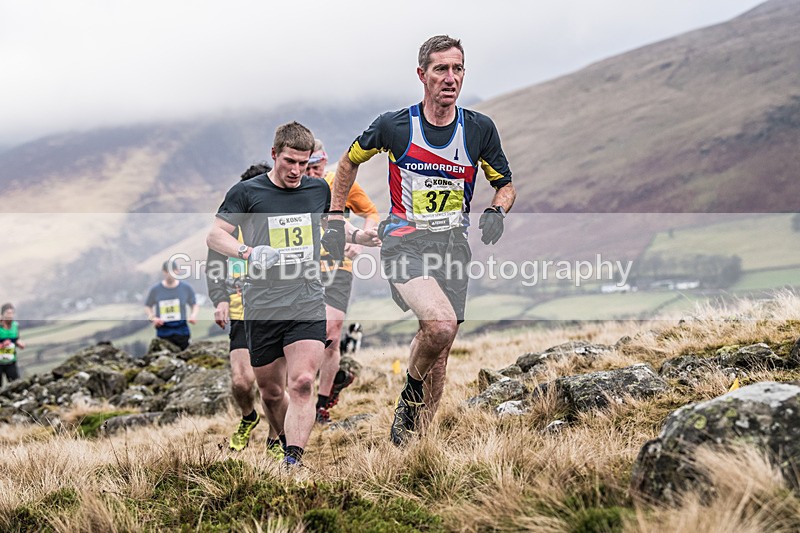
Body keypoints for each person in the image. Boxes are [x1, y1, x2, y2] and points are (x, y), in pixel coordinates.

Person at [327, 35, 516, 446]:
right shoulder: (396, 126)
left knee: (440, 350)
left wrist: (498, 211)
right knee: (440, 324)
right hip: (405, 244)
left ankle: (418, 446)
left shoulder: (480, 129)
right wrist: (335, 214)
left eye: (458, 69)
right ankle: (409, 396)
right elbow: (347, 162)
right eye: (441, 70)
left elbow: (505, 185)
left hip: (453, 249)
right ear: (422, 75)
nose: (450, 78)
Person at [206, 122, 379, 466]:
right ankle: (284, 439)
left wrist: (360, 237)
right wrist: (249, 253)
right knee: (271, 393)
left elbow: (333, 227)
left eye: (304, 163)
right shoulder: (246, 193)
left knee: (301, 382)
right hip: (262, 306)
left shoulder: (317, 191)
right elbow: (214, 237)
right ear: (274, 155)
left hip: (306, 297)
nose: (297, 170)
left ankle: (293, 461)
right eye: (290, 162)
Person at [206, 162, 283, 453]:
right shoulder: (229, 230)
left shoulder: (277, 225)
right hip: (241, 313)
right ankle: (249, 417)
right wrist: (220, 300)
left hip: (274, 311)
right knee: (241, 382)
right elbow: (214, 266)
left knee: (274, 388)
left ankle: (277, 439)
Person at [306, 139, 380, 424]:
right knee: (306, 333)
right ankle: (320, 383)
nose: (311, 172)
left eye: (316, 166)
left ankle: (321, 406)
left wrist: (360, 242)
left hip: (339, 265)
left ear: (324, 162)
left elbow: (370, 213)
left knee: (331, 333)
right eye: (307, 166)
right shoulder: (294, 188)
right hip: (305, 267)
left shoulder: (339, 181)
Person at [144, 260, 199, 351]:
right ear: (164, 272)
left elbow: (194, 304)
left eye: (173, 271)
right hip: (163, 332)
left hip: (182, 331)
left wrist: (193, 315)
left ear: (177, 271)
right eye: (168, 271)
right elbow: (147, 306)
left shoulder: (186, 288)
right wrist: (153, 318)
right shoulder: (155, 290)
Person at [0, 303, 25, 386]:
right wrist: (3, 345)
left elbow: (16, 339)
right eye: (7, 314)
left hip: (10, 361)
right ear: (2, 315)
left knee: (16, 385)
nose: (10, 316)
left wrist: (19, 343)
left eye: (12, 313)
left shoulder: (15, 326)